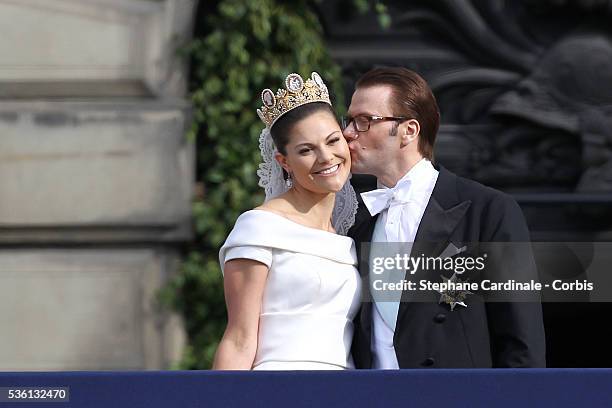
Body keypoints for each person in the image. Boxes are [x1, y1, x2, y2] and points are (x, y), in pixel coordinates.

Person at [343, 67, 546, 368]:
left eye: (364, 121)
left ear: (408, 131)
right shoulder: (354, 219)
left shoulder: (488, 210)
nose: (348, 132)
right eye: (348, 121)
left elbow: (522, 342)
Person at [213, 72, 361, 370]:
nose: (326, 157)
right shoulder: (259, 227)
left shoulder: (349, 237)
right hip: (278, 388)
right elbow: (239, 339)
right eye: (306, 150)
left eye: (333, 141)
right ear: (284, 161)